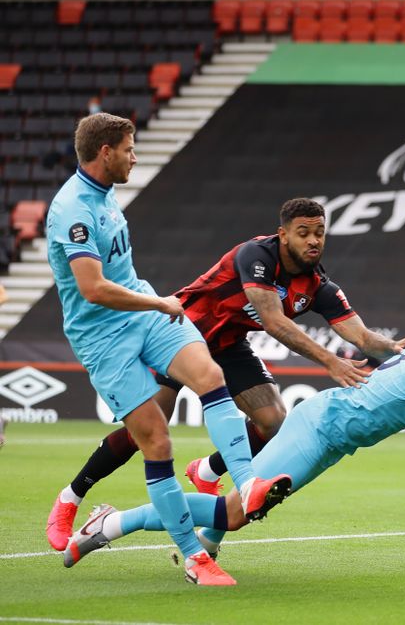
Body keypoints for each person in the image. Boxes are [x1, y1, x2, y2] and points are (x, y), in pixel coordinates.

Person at [46, 197, 405, 550]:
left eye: (319, 233)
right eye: (304, 233)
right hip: (181, 334)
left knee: (273, 420)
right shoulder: (257, 256)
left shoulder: (318, 286)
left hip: (230, 346)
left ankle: (208, 469)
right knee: (145, 434)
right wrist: (330, 361)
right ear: (283, 235)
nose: (314, 241)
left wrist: (399, 349)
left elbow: (362, 337)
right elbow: (274, 322)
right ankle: (70, 498)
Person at [61, 304, 405, 580]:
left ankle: (203, 540)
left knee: (237, 513)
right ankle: (112, 523)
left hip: (333, 440)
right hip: (317, 428)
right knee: (236, 511)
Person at [45, 113, 286, 585]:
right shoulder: (71, 209)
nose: (136, 156)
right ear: (105, 152)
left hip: (146, 314)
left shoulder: (105, 194)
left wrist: (152, 304)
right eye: (130, 149)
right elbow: (92, 288)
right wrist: (157, 300)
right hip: (103, 337)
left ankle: (246, 481)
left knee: (211, 377)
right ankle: (195, 558)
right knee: (155, 440)